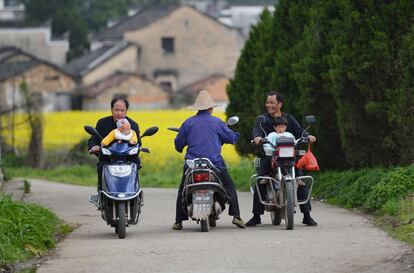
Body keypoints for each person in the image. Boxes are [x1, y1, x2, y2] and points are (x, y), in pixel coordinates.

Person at [172, 90, 246, 230]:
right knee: (229, 187)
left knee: (183, 189)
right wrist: (234, 133)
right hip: (214, 163)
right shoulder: (218, 122)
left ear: (197, 109)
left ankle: (178, 221)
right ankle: (236, 216)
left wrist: (180, 144)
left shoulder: (188, 123)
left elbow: (178, 145)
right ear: (211, 108)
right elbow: (232, 139)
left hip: (192, 165)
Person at [246, 91, 318, 227]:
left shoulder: (289, 119)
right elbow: (256, 130)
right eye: (267, 102)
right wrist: (257, 137)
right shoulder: (263, 120)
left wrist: (308, 136)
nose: (269, 105)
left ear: (280, 104)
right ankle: (256, 216)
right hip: (269, 156)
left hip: (289, 155)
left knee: (300, 179)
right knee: (261, 179)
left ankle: (307, 215)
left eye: (272, 103)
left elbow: (300, 131)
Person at [88, 97, 141, 191]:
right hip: (108, 158)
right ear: (111, 110)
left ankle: (135, 192)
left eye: (122, 110)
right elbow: (94, 139)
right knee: (101, 167)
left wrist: (137, 147)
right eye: (116, 110)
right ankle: (101, 193)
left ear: (126, 111)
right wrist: (93, 147)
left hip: (128, 159)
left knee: (135, 166)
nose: (119, 113)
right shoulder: (102, 123)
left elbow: (138, 142)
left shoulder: (133, 124)